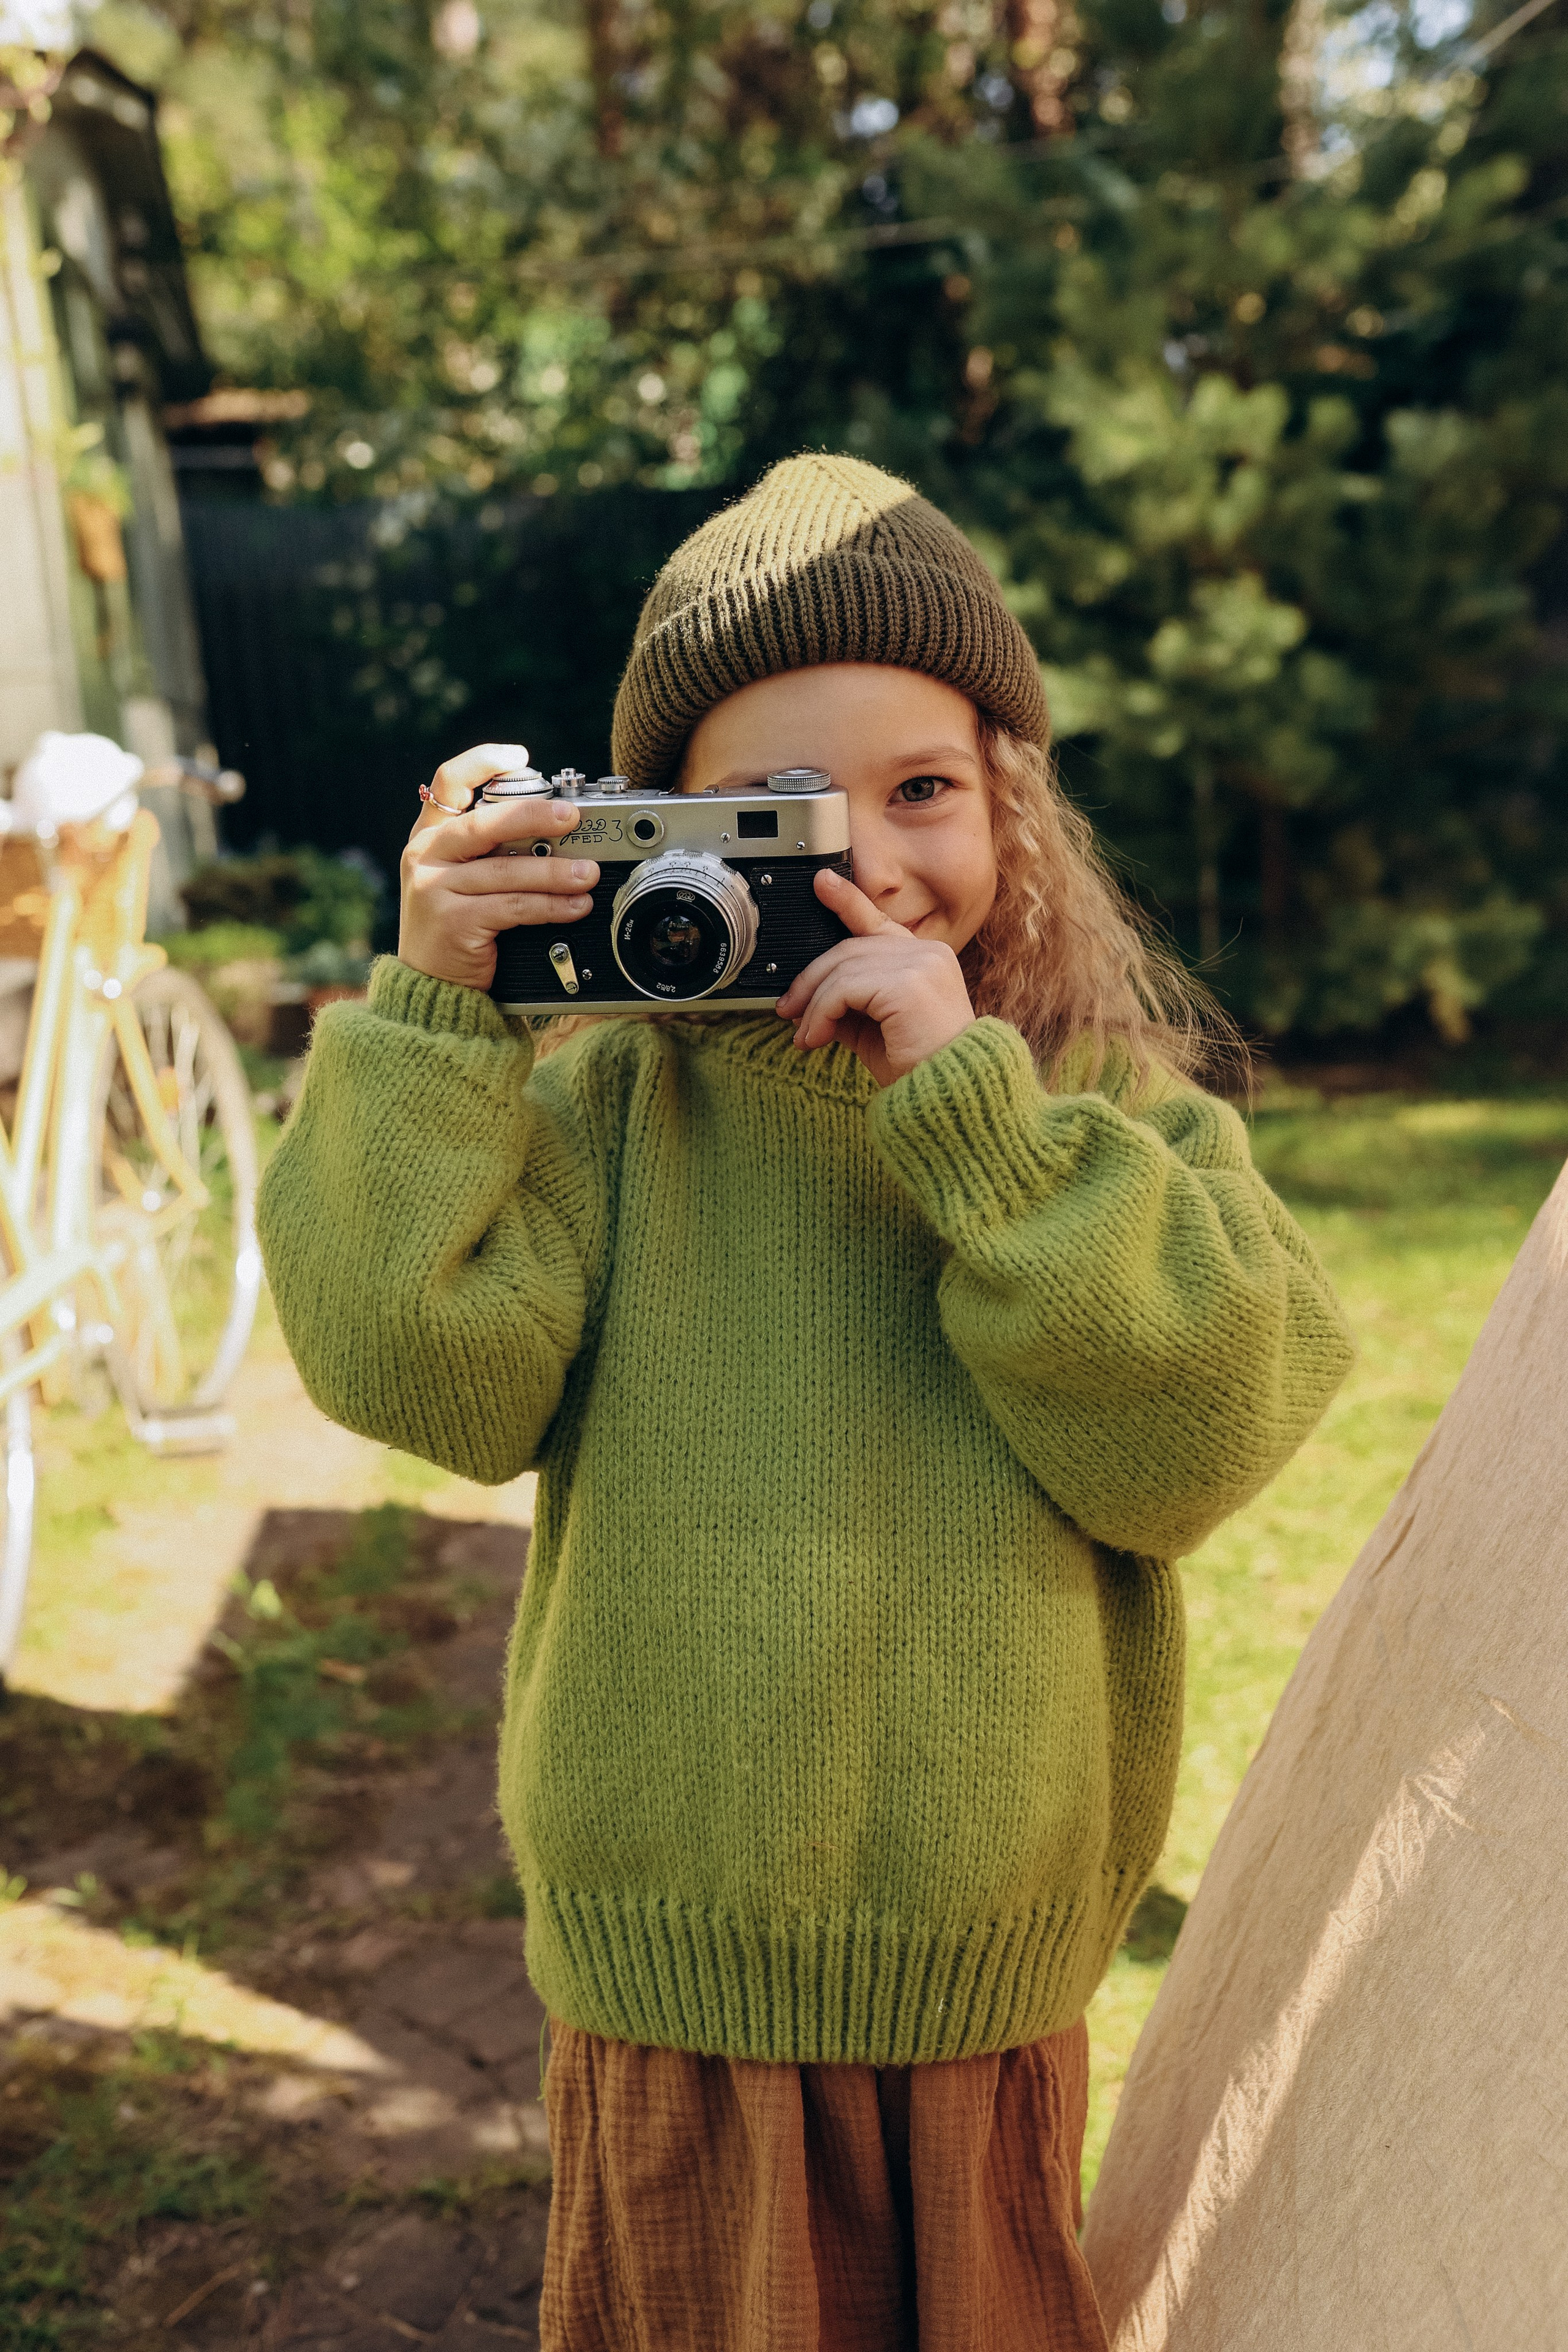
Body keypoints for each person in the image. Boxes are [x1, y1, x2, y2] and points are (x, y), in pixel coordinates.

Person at [258, 454, 1354, 2351]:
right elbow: (419, 1372)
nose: (866, 856)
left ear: (1009, 798)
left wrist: (980, 1127)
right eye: (778, 811)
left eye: (923, 789)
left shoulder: (1105, 1111)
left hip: (977, 1996)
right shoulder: (611, 1111)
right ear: (669, 834)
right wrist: (441, 1017)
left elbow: (1198, 1434)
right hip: (672, 1990)